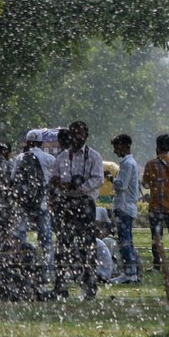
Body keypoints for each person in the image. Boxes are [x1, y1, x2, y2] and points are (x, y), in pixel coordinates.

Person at [49, 120, 104, 300]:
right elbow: (53, 178)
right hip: (66, 204)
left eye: (80, 134)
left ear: (86, 136)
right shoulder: (62, 157)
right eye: (74, 134)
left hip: (85, 203)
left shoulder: (94, 156)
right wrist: (59, 184)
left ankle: (89, 286)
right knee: (63, 244)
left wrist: (78, 187)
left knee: (87, 246)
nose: (77, 137)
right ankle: (61, 286)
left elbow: (98, 180)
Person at [12, 129, 56, 282]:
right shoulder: (49, 158)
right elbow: (53, 180)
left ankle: (21, 267)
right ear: (41, 143)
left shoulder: (19, 158)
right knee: (46, 239)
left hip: (23, 204)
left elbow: (13, 179)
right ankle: (48, 271)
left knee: (20, 236)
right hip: (42, 203)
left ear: (27, 142)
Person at [142, 134, 169, 283]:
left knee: (156, 237)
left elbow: (145, 184)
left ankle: (157, 264)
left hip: (155, 207)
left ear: (157, 146)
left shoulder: (150, 164)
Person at [108, 134, 140, 284]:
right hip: (126, 206)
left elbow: (122, 185)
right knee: (127, 241)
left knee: (125, 241)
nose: (115, 151)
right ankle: (131, 272)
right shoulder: (129, 162)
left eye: (116, 147)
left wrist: (110, 179)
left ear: (124, 145)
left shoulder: (128, 164)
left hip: (124, 206)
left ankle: (129, 273)